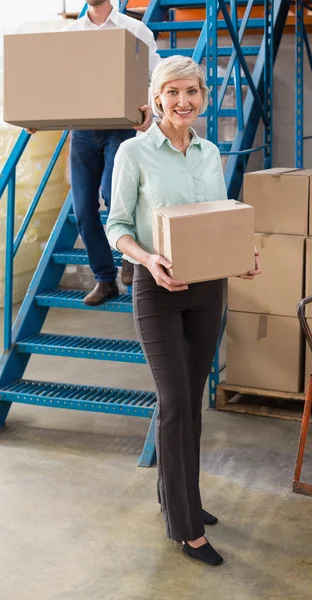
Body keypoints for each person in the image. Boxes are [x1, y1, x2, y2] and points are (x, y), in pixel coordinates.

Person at [106, 55, 261, 566]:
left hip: (206, 290)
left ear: (203, 96)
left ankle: (181, 497)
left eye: (191, 91)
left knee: (191, 399)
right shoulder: (133, 152)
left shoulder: (210, 152)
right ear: (157, 97)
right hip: (157, 289)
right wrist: (148, 258)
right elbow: (118, 226)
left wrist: (241, 255)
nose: (183, 101)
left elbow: (215, 222)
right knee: (173, 398)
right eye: (172, 92)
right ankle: (185, 526)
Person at [27, 0, 160, 306]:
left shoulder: (134, 29)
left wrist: (151, 108)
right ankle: (105, 279)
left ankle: (130, 255)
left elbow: (156, 77)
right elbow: (57, 84)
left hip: (121, 127)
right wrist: (34, 114)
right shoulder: (71, 33)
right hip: (83, 131)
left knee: (115, 195)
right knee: (84, 208)